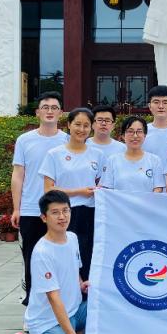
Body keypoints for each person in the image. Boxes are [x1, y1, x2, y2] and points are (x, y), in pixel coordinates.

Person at [0, 190, 91, 334]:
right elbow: (54, 298)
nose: (62, 217)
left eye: (65, 210)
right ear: (44, 217)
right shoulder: (42, 253)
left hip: (73, 312)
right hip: (49, 322)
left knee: (106, 305)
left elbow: (75, 270)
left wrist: (81, 285)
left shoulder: (72, 238)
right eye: (55, 212)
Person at [11, 92, 69, 305]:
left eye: (54, 108)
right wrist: (16, 208)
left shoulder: (68, 140)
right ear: (37, 112)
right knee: (32, 257)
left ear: (61, 113)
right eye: (45, 107)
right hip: (31, 210)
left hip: (60, 211)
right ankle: (32, 303)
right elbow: (18, 175)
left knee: (61, 258)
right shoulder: (25, 140)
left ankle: (62, 304)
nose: (50, 111)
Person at [40, 108, 105, 280]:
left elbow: (102, 184)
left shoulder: (98, 154)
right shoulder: (55, 154)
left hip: (90, 213)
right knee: (65, 256)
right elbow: (48, 189)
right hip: (64, 213)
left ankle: (85, 292)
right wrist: (79, 192)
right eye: (77, 124)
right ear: (69, 125)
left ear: (91, 127)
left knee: (87, 254)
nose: (81, 129)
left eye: (86, 125)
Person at [100, 116, 166, 193]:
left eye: (139, 131)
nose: (135, 136)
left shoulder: (155, 160)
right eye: (130, 131)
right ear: (123, 136)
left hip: (146, 201)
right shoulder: (112, 160)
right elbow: (107, 189)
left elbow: (158, 188)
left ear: (145, 135)